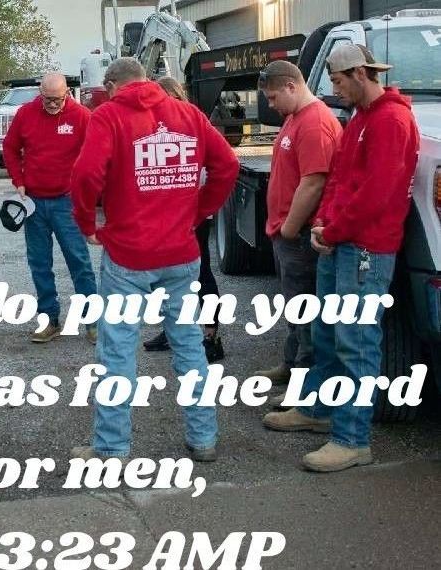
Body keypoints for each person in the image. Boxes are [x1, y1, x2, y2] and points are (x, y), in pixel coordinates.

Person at [69, 58, 239, 462]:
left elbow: (85, 177)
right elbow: (227, 165)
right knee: (190, 348)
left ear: (112, 85)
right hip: (181, 255)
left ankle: (112, 448)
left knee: (118, 354)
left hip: (129, 257)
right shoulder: (189, 114)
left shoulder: (109, 116)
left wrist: (86, 224)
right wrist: (200, 211)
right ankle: (203, 439)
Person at [263, 45, 419, 472]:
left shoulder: (390, 120)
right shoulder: (362, 119)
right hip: (342, 242)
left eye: (337, 82)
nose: (334, 90)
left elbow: (377, 193)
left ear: (360, 74)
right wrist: (326, 226)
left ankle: (352, 439)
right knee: (328, 330)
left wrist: (332, 229)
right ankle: (318, 408)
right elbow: (339, 179)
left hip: (366, 249)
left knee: (357, 343)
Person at [255, 61, 342, 394]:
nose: (272, 105)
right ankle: (291, 365)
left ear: (292, 86)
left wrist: (290, 228)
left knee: (306, 313)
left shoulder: (316, 123)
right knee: (294, 307)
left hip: (300, 235)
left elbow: (314, 182)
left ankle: (305, 391)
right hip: (285, 232)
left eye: (274, 97)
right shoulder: (295, 117)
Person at [2, 72, 98, 343]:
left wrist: (85, 188)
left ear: (67, 93)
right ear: (39, 93)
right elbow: (10, 148)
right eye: (47, 99)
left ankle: (93, 322)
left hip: (66, 202)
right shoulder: (25, 114)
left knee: (79, 261)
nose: (52, 105)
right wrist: (18, 181)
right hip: (33, 202)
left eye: (57, 99)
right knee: (39, 263)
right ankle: (50, 320)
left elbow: (94, 154)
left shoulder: (81, 116)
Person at [142, 76, 225, 363]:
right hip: (168, 215)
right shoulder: (157, 125)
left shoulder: (193, 121)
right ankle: (173, 329)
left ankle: (212, 335)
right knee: (167, 277)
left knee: (201, 274)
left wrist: (202, 208)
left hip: (193, 213)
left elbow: (222, 164)